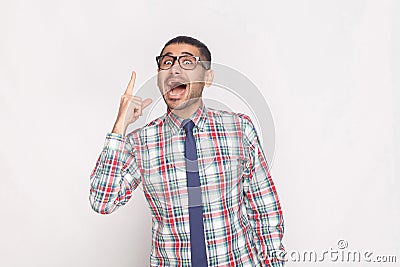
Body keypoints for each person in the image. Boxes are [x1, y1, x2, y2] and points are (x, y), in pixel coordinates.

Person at [89, 36, 285, 266]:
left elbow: (265, 210)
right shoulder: (141, 142)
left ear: (207, 77)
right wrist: (120, 126)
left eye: (188, 62)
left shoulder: (239, 128)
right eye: (167, 62)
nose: (174, 70)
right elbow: (102, 201)